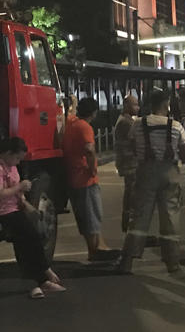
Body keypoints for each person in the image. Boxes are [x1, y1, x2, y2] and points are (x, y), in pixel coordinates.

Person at [118, 89, 185, 275]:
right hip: (169, 173)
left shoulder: (138, 125)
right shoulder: (175, 126)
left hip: (145, 173)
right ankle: (173, 262)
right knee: (170, 218)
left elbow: (133, 147)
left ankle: (127, 261)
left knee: (140, 217)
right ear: (166, 104)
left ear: (150, 105)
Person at [0, 137, 64, 299]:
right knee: (30, 237)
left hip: (15, 208)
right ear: (8, 153)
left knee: (29, 239)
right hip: (4, 211)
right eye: (16, 158)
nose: (17, 163)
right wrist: (20, 187)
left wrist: (27, 205)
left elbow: (18, 195)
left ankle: (38, 280)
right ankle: (44, 274)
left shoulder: (12, 167)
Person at [63, 97, 113, 261]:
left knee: (84, 217)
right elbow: (89, 149)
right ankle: (95, 251)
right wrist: (93, 169)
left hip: (72, 178)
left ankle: (96, 248)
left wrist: (74, 103)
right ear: (94, 112)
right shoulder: (85, 127)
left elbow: (70, 114)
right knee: (92, 215)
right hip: (85, 179)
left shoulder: (71, 123)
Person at [114, 93, 140, 233]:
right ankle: (129, 225)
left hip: (128, 162)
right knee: (132, 195)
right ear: (126, 105)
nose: (138, 107)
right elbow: (134, 142)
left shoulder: (126, 120)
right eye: (135, 104)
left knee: (130, 194)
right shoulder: (126, 122)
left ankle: (128, 224)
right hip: (130, 163)